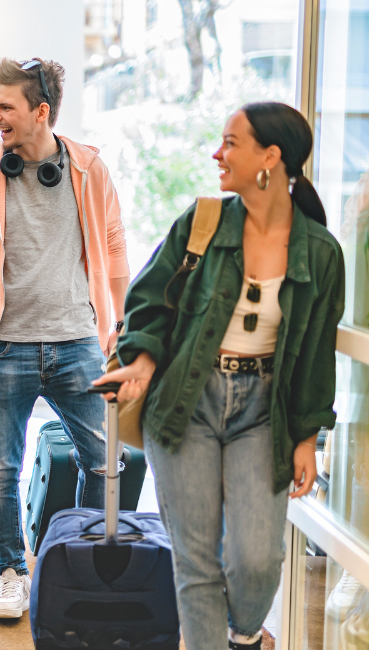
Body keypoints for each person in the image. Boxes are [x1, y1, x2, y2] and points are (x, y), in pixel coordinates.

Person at [95, 102, 344, 650]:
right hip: (188, 399)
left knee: (257, 558)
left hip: (265, 409)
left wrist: (308, 436)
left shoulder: (321, 252)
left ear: (270, 158)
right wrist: (139, 362)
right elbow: (149, 300)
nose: (217, 153)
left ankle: (246, 635)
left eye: (230, 142)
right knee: (197, 558)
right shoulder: (202, 221)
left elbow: (317, 355)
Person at [0, 57, 129, 619]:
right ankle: (11, 574)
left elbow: (116, 253)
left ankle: (80, 564)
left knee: (104, 462)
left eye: (5, 106)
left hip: (78, 340)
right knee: (2, 467)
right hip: (4, 346)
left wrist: (118, 332)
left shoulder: (89, 169)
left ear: (40, 111)